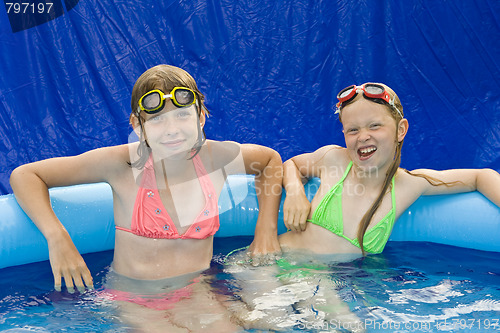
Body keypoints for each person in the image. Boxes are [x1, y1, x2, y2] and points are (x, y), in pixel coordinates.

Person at [10, 64, 282, 331]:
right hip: (135, 298)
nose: (171, 129)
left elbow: (270, 161)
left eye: (182, 115)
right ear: (137, 125)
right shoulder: (121, 165)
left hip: (197, 290)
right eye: (157, 119)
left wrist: (265, 229)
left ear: (200, 117)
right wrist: (58, 239)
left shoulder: (216, 158)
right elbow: (26, 175)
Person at [280, 82, 500, 255]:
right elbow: (291, 165)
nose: (363, 136)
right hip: (275, 261)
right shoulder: (333, 159)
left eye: (375, 125)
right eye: (353, 130)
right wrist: (295, 192)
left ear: (400, 130)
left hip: (321, 283)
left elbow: (480, 177)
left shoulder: (409, 185)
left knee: (342, 313)